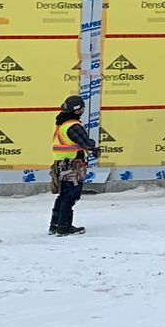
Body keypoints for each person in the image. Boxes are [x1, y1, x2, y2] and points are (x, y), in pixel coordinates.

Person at [49, 94, 99, 237]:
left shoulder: (62, 124)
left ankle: (55, 225)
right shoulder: (73, 126)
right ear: (78, 110)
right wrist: (93, 146)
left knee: (63, 195)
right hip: (72, 165)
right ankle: (64, 227)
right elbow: (85, 143)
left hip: (62, 164)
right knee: (70, 196)